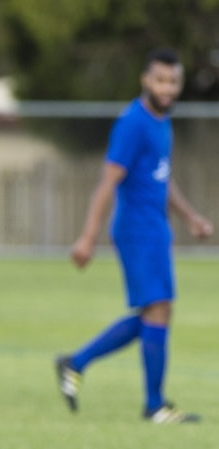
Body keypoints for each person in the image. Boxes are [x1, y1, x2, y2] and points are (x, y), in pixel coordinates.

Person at [55, 47, 213, 423]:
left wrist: (190, 217)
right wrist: (87, 238)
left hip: (155, 228)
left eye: (173, 81)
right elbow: (108, 182)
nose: (167, 87)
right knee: (157, 308)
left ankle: (76, 363)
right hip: (137, 229)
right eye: (160, 80)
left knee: (156, 312)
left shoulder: (162, 122)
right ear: (146, 80)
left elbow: (162, 176)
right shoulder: (133, 122)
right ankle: (154, 405)